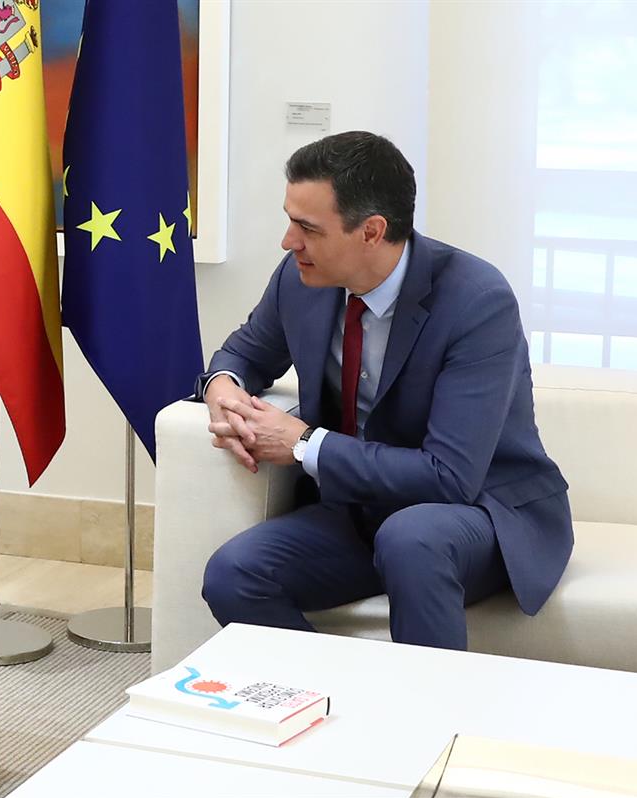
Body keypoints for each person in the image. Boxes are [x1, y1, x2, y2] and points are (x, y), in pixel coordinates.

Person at [198, 132, 572, 651]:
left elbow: (450, 478)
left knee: (411, 538)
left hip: (479, 513)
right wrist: (223, 388)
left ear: (372, 231)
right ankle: (337, 704)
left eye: (307, 228)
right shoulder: (300, 278)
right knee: (233, 573)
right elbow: (243, 353)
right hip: (359, 511)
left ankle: (432, 724)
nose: (288, 241)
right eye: (290, 220)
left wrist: (305, 444)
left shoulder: (476, 301)